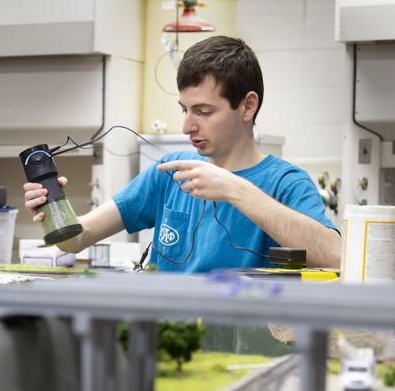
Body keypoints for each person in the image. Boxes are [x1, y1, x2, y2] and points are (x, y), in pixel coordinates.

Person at [23, 36, 340, 272]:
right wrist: (53, 208)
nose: (187, 125)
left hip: (241, 354)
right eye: (185, 109)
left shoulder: (286, 182)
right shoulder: (169, 173)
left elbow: (334, 256)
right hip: (168, 344)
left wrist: (234, 189)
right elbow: (76, 240)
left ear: (247, 105)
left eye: (203, 111)